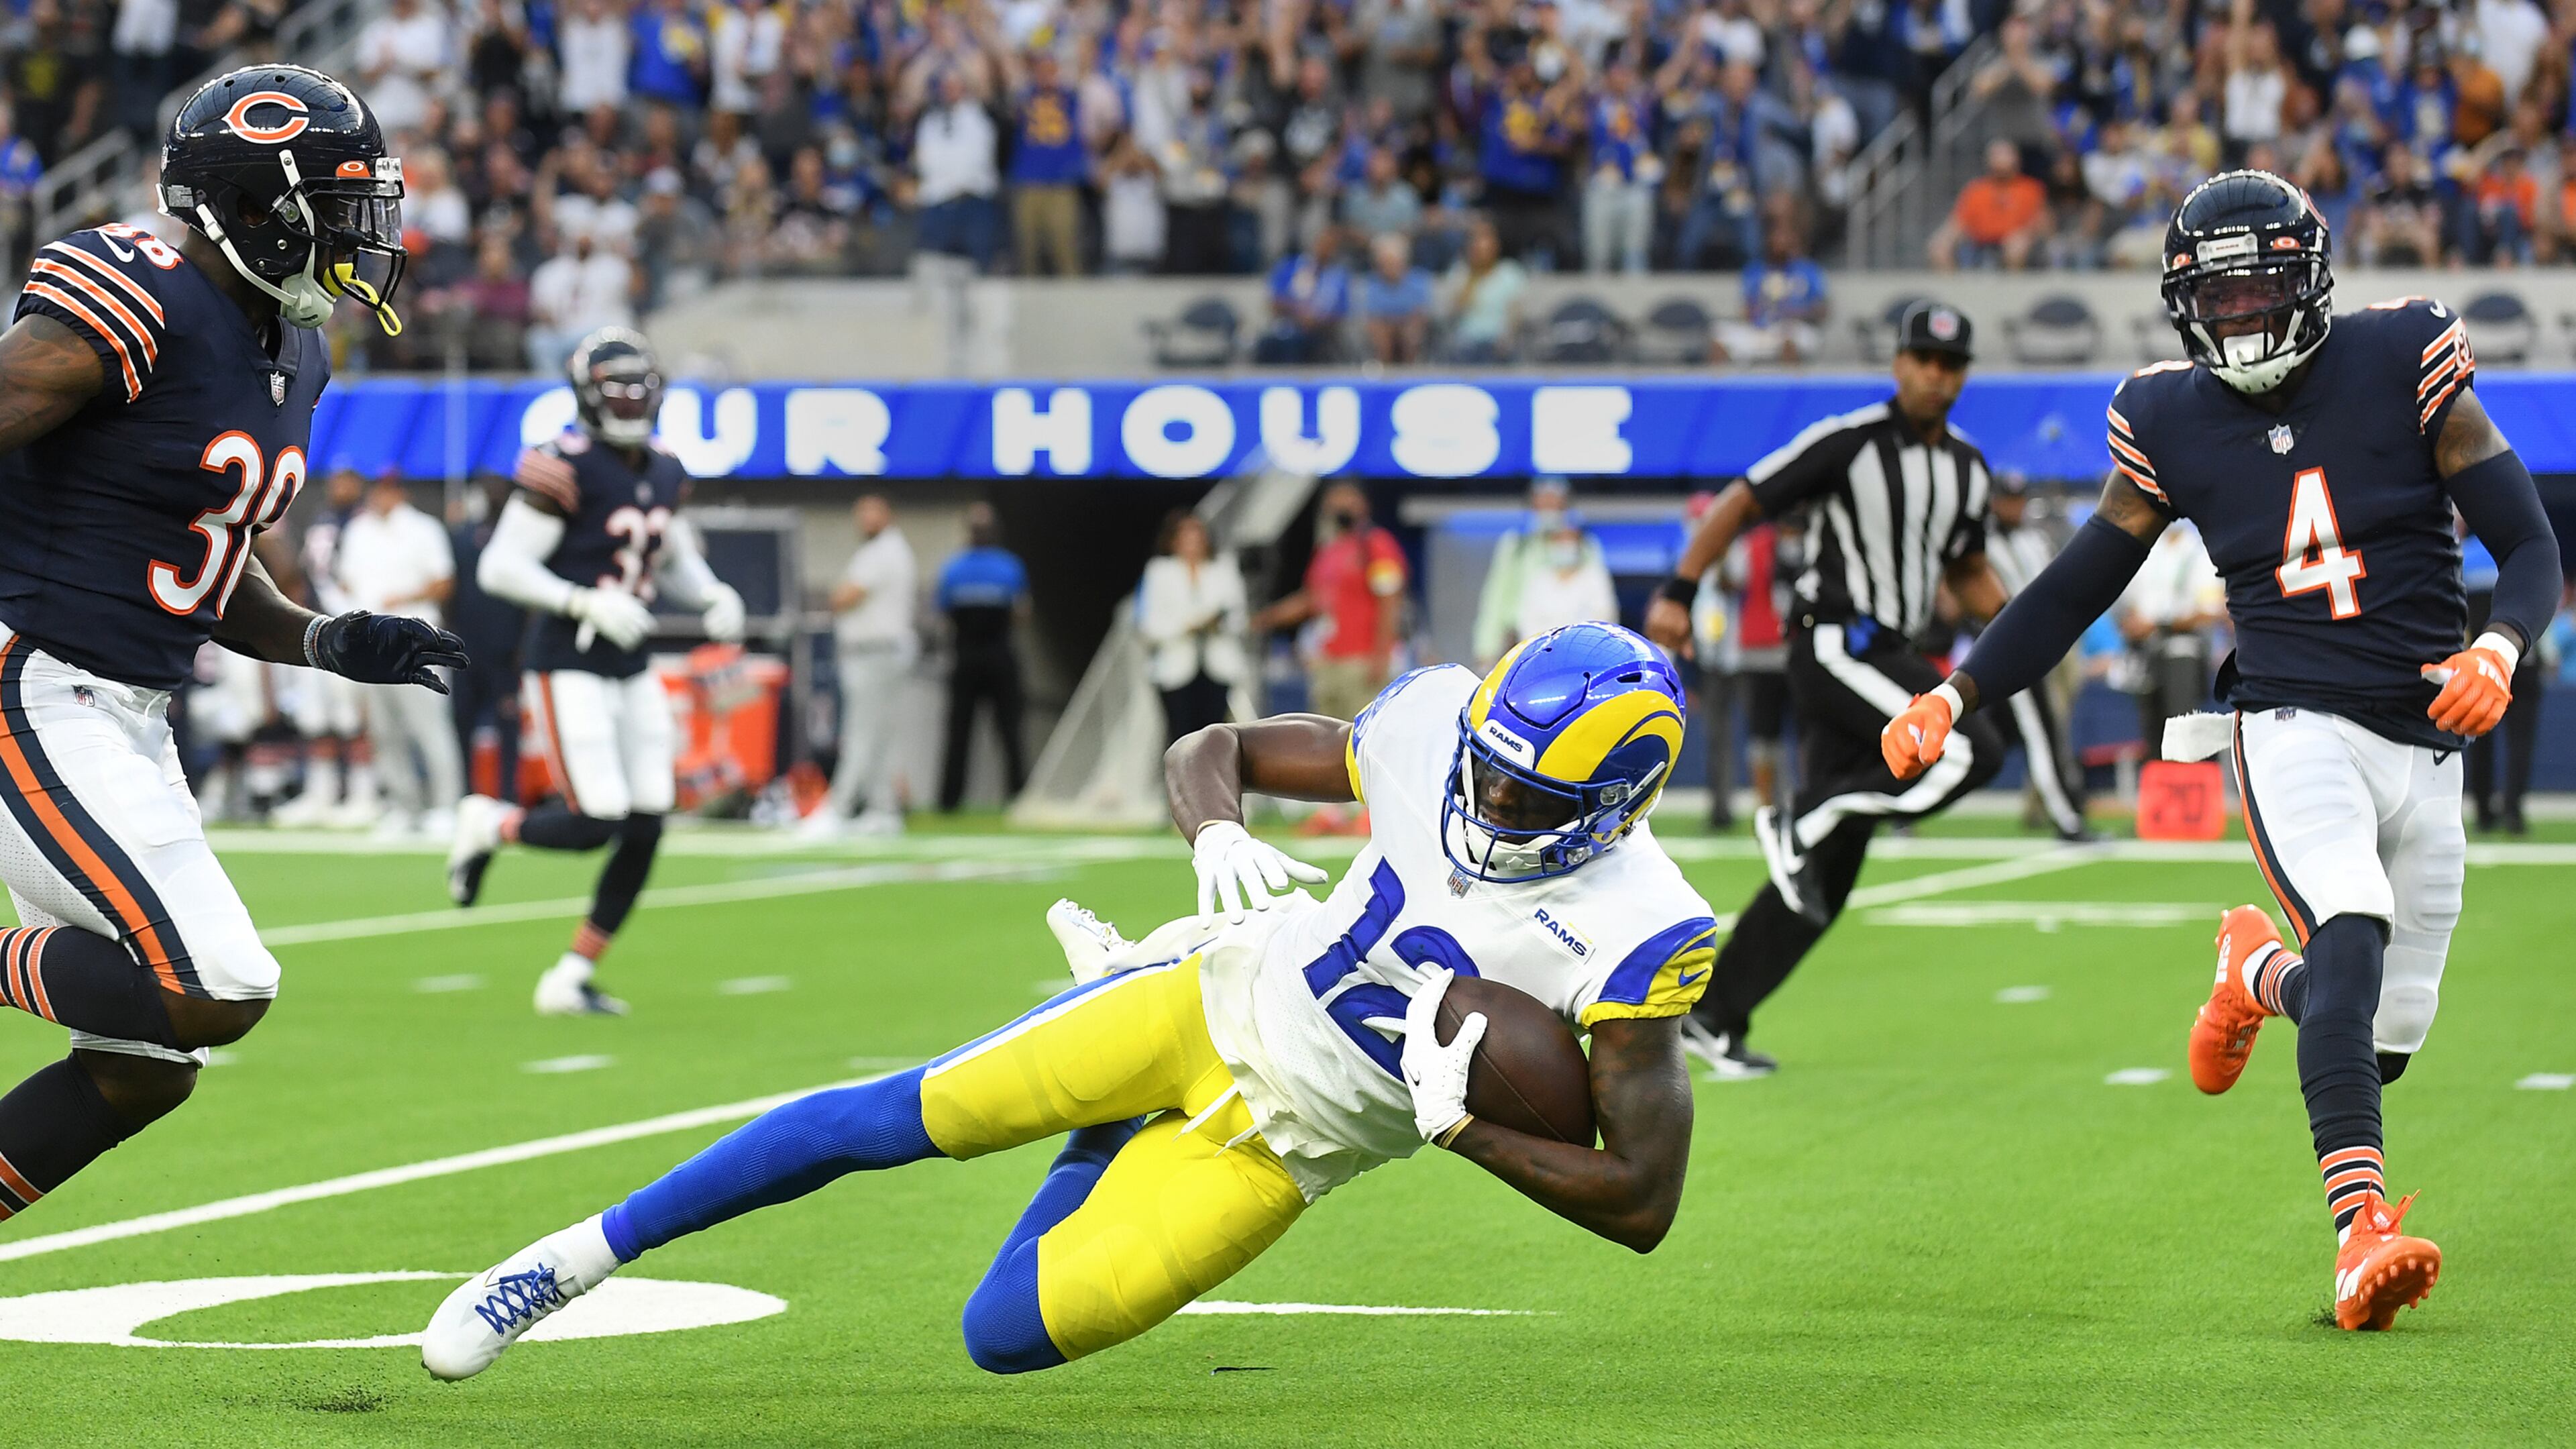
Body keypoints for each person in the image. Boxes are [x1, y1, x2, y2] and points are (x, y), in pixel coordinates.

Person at [423, 623, 1717, 1383]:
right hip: (1210, 995)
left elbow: (1643, 1206)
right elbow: (1213, 747)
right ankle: (567, 1261)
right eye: (1483, 769)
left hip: (1289, 1149)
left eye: (1526, 797)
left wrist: (1462, 1129)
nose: (1484, 802)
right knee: (889, 1119)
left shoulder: (1644, 932)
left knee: (1003, 1334)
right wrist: (1217, 832)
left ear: (1618, 806)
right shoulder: (1437, 722)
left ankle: (1105, 1129)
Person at [1883, 172, 2561, 1331]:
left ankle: (2256, 976)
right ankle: (2360, 1236)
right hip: (2291, 724)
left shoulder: (2404, 356)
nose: (2240, 316)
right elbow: (2077, 584)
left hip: (2426, 735)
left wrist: (2498, 647)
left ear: (2310, 281)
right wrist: (1958, 692)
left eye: (2259, 290)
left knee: (2384, 1039)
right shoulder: (2167, 417)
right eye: (2218, 295)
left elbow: (2531, 544)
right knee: (2350, 940)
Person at [0, 65, 460, 1226]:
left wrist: (329, 637)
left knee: (147, 1064)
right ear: (252, 206)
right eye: (337, 207)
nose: (360, 234)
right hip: (34, 676)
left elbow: (208, 562)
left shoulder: (295, 348)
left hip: (128, 708)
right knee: (212, 985)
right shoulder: (134, 289)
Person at [1645, 301, 2008, 1078]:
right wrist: (1680, 588)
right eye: (1923, 360)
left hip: (1888, 653)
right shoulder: (1850, 442)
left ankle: (1714, 1013)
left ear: (1963, 375)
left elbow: (1967, 568)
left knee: (1827, 874)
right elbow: (1745, 498)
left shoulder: (1969, 468)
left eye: (1950, 365)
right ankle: (1800, 815)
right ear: (1898, 364)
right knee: (1970, 748)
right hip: (1837, 642)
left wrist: (2026, 628)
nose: (1935, 376)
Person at [445, 329, 747, 1017]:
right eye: (619, 391)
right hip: (568, 657)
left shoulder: (666, 467)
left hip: (629, 660)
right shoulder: (563, 464)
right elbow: (501, 567)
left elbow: (670, 552)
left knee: (647, 820)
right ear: (587, 396)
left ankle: (571, 974)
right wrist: (582, 600)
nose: (631, 403)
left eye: (641, 390)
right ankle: (491, 823)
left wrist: (711, 592)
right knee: (596, 820)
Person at [334, 470, 464, 838]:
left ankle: (446, 805)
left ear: (400, 492)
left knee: (430, 726)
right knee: (384, 730)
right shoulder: (358, 530)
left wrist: (402, 599)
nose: (381, 495)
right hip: (372, 642)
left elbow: (444, 583)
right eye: (377, 489)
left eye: (387, 489)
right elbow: (346, 579)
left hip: (414, 641)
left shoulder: (423, 529)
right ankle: (404, 805)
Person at [1982, 472, 2088, 840]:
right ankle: (2066, 817)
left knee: (2035, 731)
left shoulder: (2034, 539)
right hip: (2007, 648)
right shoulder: (1982, 543)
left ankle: (2062, 807)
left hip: (2047, 641)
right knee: (2037, 730)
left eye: (2018, 499)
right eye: (2007, 499)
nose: (2014, 507)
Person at [273, 462, 377, 826]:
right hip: (317, 626)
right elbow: (305, 573)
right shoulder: (322, 520)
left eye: (346, 480)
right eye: (336, 481)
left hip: (350, 627)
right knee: (316, 718)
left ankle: (363, 794)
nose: (339, 487)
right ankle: (322, 793)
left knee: (352, 719)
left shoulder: (366, 526)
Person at [806, 494, 917, 837]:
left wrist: (834, 597)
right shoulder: (893, 549)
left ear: (888, 515)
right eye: (861, 514)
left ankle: (839, 809)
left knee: (861, 733)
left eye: (872, 513)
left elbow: (845, 597)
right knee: (881, 735)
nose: (865, 520)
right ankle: (882, 810)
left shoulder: (881, 551)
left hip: (875, 653)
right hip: (884, 652)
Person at [1256, 482, 1407, 724]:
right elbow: (1311, 599)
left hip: (1361, 660)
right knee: (1326, 734)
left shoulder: (1376, 545)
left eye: (1349, 502)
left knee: (1360, 731)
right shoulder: (1328, 550)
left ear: (1363, 507)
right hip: (1326, 661)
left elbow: (1389, 601)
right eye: (1335, 503)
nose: (1341, 509)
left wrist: (1381, 657)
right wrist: (1268, 617)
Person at [935, 504, 1031, 812]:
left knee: (961, 731)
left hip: (967, 655)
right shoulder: (1009, 567)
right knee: (1009, 729)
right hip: (998, 654)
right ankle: (1018, 796)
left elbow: (943, 614)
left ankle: (950, 801)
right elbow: (1021, 613)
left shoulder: (954, 568)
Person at [1470, 478, 1617, 668]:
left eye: (1554, 501)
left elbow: (1603, 604)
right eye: (1543, 500)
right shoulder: (1516, 546)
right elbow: (1495, 597)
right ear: (1533, 503)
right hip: (1519, 641)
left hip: (1575, 647)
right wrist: (1486, 648)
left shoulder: (1585, 546)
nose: (1549, 506)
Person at [2461, 529, 2547, 834]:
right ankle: (2513, 812)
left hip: (2480, 659)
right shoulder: (2523, 550)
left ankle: (2484, 813)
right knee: (2521, 740)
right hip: (2522, 654)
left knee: (2478, 737)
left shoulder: (2463, 554)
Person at [1136, 511, 1248, 745]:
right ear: (1173, 541)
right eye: (1186, 537)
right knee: (1180, 737)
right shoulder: (1159, 571)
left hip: (1217, 666)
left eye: (1198, 536)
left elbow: (1239, 618)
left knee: (1214, 738)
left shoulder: (1223, 568)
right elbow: (1149, 625)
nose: (1193, 543)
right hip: (1175, 669)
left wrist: (1217, 623)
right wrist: (1187, 626)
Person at [448, 475, 527, 805]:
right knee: (462, 721)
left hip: (505, 648)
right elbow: (452, 590)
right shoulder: (462, 535)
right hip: (466, 645)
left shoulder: (520, 538)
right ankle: (466, 794)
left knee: (508, 725)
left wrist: (523, 646)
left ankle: (509, 795)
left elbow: (529, 600)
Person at [1927, 140, 2047, 270]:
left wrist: (2025, 234)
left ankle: (2014, 283)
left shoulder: (2031, 189)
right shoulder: (1976, 190)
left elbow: (2042, 223)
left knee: (2016, 247)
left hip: (2016, 243)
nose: (2000, 159)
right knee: (1939, 247)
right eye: (1996, 154)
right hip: (1979, 242)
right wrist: (1946, 237)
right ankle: (1952, 283)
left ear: (2016, 158)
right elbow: (1958, 222)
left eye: (2005, 154)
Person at [1357, 231, 1434, 365]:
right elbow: (1372, 314)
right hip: (1383, 325)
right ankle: (1383, 370)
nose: (1390, 267)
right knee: (1379, 331)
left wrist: (1401, 322)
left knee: (1413, 330)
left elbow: (1420, 311)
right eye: (1386, 263)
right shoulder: (1371, 284)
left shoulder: (1419, 280)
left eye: (1394, 262)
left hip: (1408, 324)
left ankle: (1411, 370)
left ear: (1404, 262)